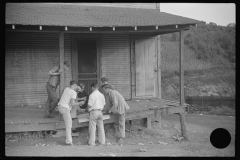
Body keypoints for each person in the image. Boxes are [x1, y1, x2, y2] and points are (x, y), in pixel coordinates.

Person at [57, 80, 85, 146]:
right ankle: (69, 141)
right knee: (69, 125)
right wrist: (80, 102)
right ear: (75, 85)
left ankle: (68, 140)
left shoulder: (67, 89)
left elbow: (70, 98)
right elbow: (72, 103)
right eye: (77, 86)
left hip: (60, 107)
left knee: (68, 124)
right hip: (65, 108)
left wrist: (80, 98)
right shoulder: (73, 92)